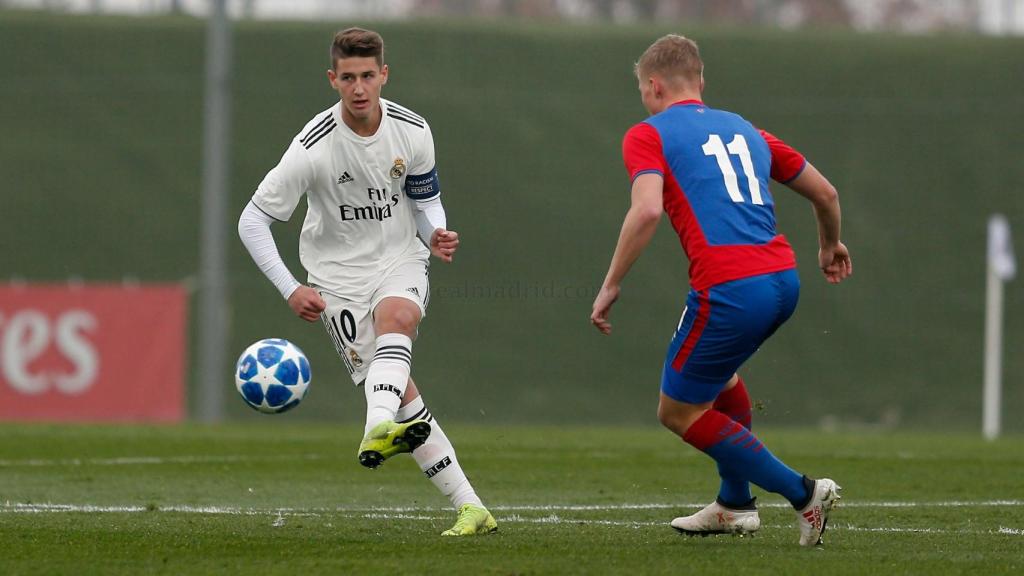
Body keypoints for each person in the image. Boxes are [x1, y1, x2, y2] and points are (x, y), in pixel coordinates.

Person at [590, 34, 852, 546]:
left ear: (654, 85)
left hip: (731, 288)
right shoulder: (746, 130)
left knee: (677, 411)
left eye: (644, 90)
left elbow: (645, 210)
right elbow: (826, 192)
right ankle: (734, 504)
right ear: (701, 82)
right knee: (720, 380)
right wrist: (830, 246)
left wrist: (611, 283)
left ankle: (804, 494)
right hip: (783, 282)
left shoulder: (648, 133)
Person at [238, 27, 497, 537]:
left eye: (368, 76)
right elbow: (251, 220)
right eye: (348, 78)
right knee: (405, 401)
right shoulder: (311, 148)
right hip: (336, 279)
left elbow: (425, 200)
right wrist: (291, 288)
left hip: (400, 258)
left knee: (398, 316)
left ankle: (373, 429)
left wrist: (436, 233)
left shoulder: (412, 130)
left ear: (384, 76)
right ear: (333, 80)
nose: (359, 88)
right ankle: (472, 507)